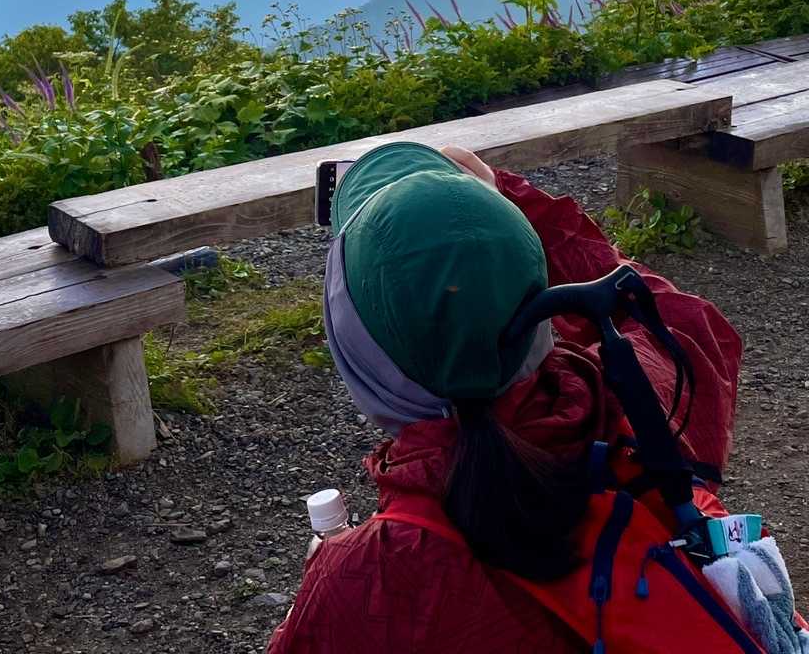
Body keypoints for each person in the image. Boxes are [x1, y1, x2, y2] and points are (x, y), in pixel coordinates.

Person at [267, 141, 804, 654]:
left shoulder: (371, 577)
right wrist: (508, 202)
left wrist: (323, 584)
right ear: (540, 301)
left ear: (353, 343)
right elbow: (679, 321)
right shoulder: (633, 398)